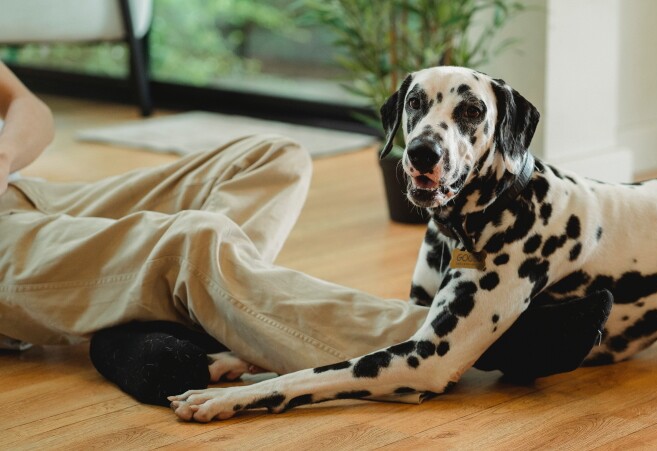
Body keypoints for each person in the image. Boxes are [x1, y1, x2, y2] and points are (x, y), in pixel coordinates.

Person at [0, 61, 431, 402]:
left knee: (275, 157)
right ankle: (429, 339)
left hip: (23, 193)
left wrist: (4, 156)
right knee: (194, 242)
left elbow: (30, 108)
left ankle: (156, 321)